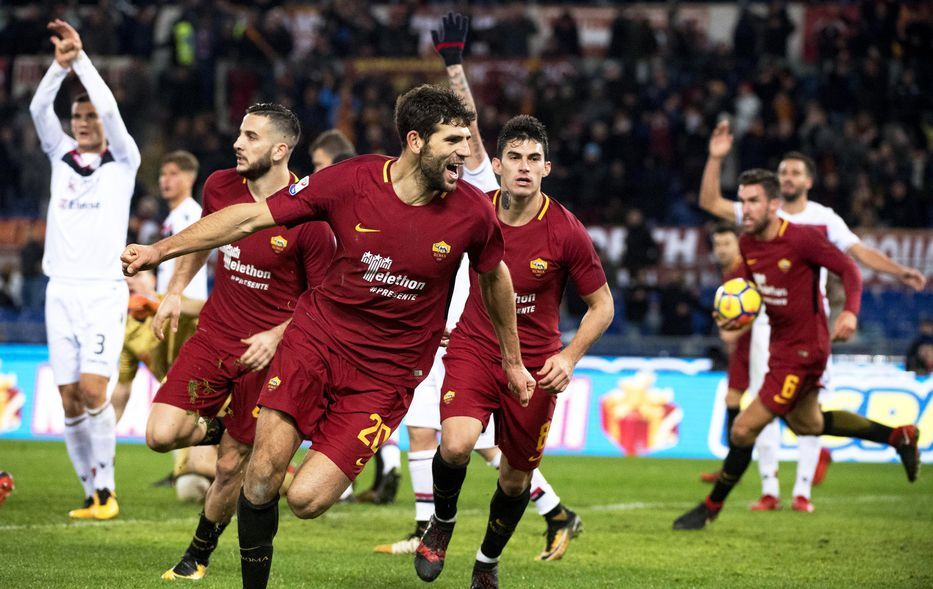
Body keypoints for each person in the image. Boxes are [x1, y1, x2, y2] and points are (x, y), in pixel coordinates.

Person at [121, 84, 535, 589]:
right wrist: (158, 251)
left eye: (466, 140)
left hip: (385, 376)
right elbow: (250, 217)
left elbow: (495, 278)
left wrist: (512, 360)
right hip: (314, 345)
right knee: (260, 476)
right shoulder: (352, 180)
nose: (466, 152)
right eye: (452, 140)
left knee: (305, 499)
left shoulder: (473, 211)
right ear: (415, 141)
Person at [376, 13, 592, 565]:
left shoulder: (554, 224)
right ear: (499, 164)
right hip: (460, 339)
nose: (522, 167)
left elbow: (468, 130)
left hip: (503, 346)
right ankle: (435, 525)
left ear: (546, 167)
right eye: (512, 158)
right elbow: (469, 134)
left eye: (532, 159)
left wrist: (454, 66)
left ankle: (518, 530)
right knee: (446, 439)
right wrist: (452, 64)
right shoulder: (475, 199)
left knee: (496, 461)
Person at [149, 104, 336, 581]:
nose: (237, 143)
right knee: (160, 435)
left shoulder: (310, 218)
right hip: (215, 334)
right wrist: (174, 291)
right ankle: (222, 428)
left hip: (269, 354)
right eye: (239, 133)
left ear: (279, 150)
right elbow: (201, 239)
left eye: (251, 136)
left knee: (231, 465)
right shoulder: (219, 186)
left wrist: (276, 335)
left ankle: (198, 553)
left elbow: (322, 301)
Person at [698, 120, 926, 512]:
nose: (788, 176)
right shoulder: (754, 216)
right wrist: (716, 158)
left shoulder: (820, 221)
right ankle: (774, 486)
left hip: (807, 330)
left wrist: (896, 274)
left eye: (795, 172)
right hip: (766, 326)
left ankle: (790, 493)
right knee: (808, 421)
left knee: (758, 415)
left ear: (808, 181)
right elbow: (711, 203)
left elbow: (856, 257)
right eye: (783, 171)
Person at [29, 19, 141, 520]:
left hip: (101, 292)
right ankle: (91, 493)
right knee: (70, 398)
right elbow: (38, 109)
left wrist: (81, 60)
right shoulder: (60, 157)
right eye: (77, 115)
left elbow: (111, 109)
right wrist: (58, 69)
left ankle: (108, 491)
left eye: (90, 115)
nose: (83, 121)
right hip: (59, 291)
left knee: (95, 391)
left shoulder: (124, 162)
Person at [308, 128, 402, 505]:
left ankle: (342, 484)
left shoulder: (338, 205)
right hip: (383, 319)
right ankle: (389, 463)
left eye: (319, 164)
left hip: (346, 318)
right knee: (371, 403)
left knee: (334, 398)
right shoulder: (379, 201)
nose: (314, 172)